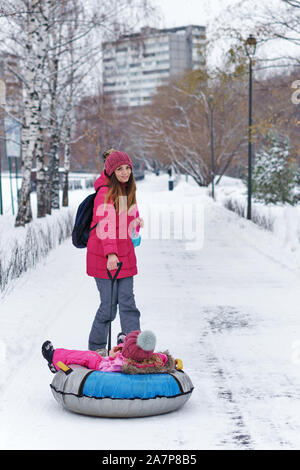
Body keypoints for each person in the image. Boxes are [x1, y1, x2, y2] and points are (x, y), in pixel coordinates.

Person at [86, 149, 144, 357]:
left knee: (128, 302)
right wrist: (111, 254)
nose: (125, 172)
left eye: (127, 168)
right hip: (104, 257)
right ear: (111, 171)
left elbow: (124, 222)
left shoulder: (127, 190)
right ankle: (97, 347)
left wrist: (135, 222)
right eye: (120, 169)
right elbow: (105, 225)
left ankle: (133, 346)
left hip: (125, 254)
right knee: (109, 306)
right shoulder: (105, 192)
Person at [41, 330, 175, 375]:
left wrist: (112, 356)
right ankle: (122, 342)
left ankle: (53, 358)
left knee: (90, 356)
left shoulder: (121, 365)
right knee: (131, 347)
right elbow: (163, 358)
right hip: (130, 356)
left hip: (103, 364)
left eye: (126, 347)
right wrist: (123, 348)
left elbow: (108, 369)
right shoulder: (156, 359)